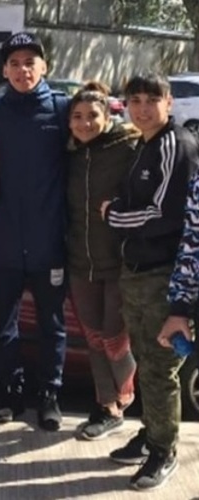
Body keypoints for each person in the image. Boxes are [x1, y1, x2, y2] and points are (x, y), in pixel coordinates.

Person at [102, 73, 198, 491]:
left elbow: (163, 215)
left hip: (164, 276)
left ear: (169, 102)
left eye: (151, 100)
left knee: (161, 368)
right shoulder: (146, 142)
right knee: (144, 357)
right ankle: (152, 433)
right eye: (135, 100)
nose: (142, 108)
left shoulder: (176, 145)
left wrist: (112, 215)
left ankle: (164, 451)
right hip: (138, 272)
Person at [0, 32, 70, 431]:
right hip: (4, 242)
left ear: (44, 67)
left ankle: (49, 396)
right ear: (4, 69)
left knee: (51, 325)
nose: (22, 70)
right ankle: (10, 394)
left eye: (30, 62)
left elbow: (103, 137)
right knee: (5, 323)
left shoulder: (64, 109)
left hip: (49, 242)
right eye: (14, 63)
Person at [66, 82, 140, 441]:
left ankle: (126, 391)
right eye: (77, 117)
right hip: (80, 261)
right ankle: (106, 406)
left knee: (114, 337)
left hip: (119, 260)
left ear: (107, 115)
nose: (84, 123)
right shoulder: (71, 153)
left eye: (92, 116)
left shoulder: (128, 146)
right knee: (93, 337)